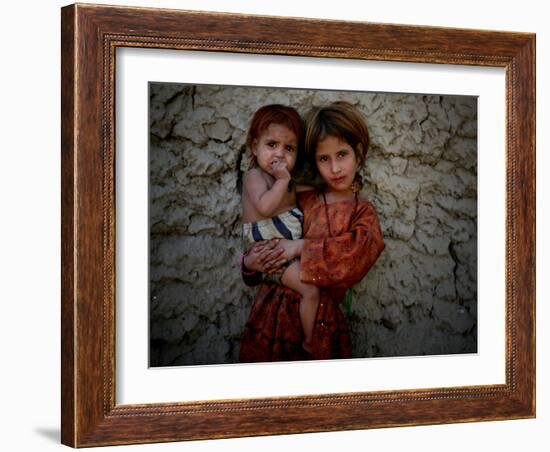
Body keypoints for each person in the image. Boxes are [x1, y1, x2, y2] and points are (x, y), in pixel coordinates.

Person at [239, 101, 385, 362]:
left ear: (359, 152)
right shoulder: (300, 199)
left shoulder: (361, 213)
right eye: (324, 159)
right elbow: (261, 254)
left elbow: (354, 258)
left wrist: (299, 247)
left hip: (319, 321)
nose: (335, 168)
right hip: (271, 317)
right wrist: (250, 263)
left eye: (342, 154)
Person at [240, 104, 320, 353]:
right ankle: (310, 341)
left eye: (289, 148)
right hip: (271, 254)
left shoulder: (287, 182)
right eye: (271, 144)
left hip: (281, 255)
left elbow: (305, 193)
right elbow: (264, 207)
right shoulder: (255, 177)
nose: (280, 154)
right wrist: (284, 180)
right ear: (255, 147)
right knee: (311, 290)